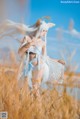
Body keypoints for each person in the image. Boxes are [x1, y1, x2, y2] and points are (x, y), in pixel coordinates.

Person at [17, 19, 65, 96]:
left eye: (46, 31)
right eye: (43, 30)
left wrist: (57, 60)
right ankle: (30, 105)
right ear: (38, 29)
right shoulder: (27, 38)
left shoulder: (43, 43)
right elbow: (19, 52)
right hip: (26, 65)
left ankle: (38, 107)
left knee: (35, 87)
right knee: (24, 89)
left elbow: (45, 57)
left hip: (39, 65)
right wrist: (28, 45)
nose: (44, 33)